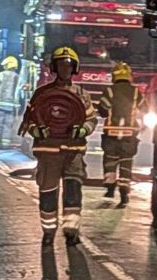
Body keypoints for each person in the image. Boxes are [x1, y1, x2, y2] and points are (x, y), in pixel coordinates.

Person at [18, 46, 97, 246]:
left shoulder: (81, 94)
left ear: (74, 68)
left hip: (73, 152)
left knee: (73, 191)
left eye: (69, 65)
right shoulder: (42, 94)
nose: (65, 69)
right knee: (48, 193)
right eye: (61, 65)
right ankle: (48, 231)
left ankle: (71, 230)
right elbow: (30, 120)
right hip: (48, 153)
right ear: (54, 67)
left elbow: (91, 119)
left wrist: (82, 130)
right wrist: (36, 130)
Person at [97, 61, 147, 207]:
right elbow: (144, 109)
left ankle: (110, 188)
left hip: (111, 134)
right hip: (129, 135)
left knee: (110, 161)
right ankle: (124, 193)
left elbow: (103, 110)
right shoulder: (136, 92)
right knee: (126, 162)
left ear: (114, 76)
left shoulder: (110, 91)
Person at [0, 56, 20, 146]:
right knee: (8, 125)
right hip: (11, 106)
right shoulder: (17, 77)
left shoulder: (0, 75)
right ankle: (5, 143)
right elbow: (19, 93)